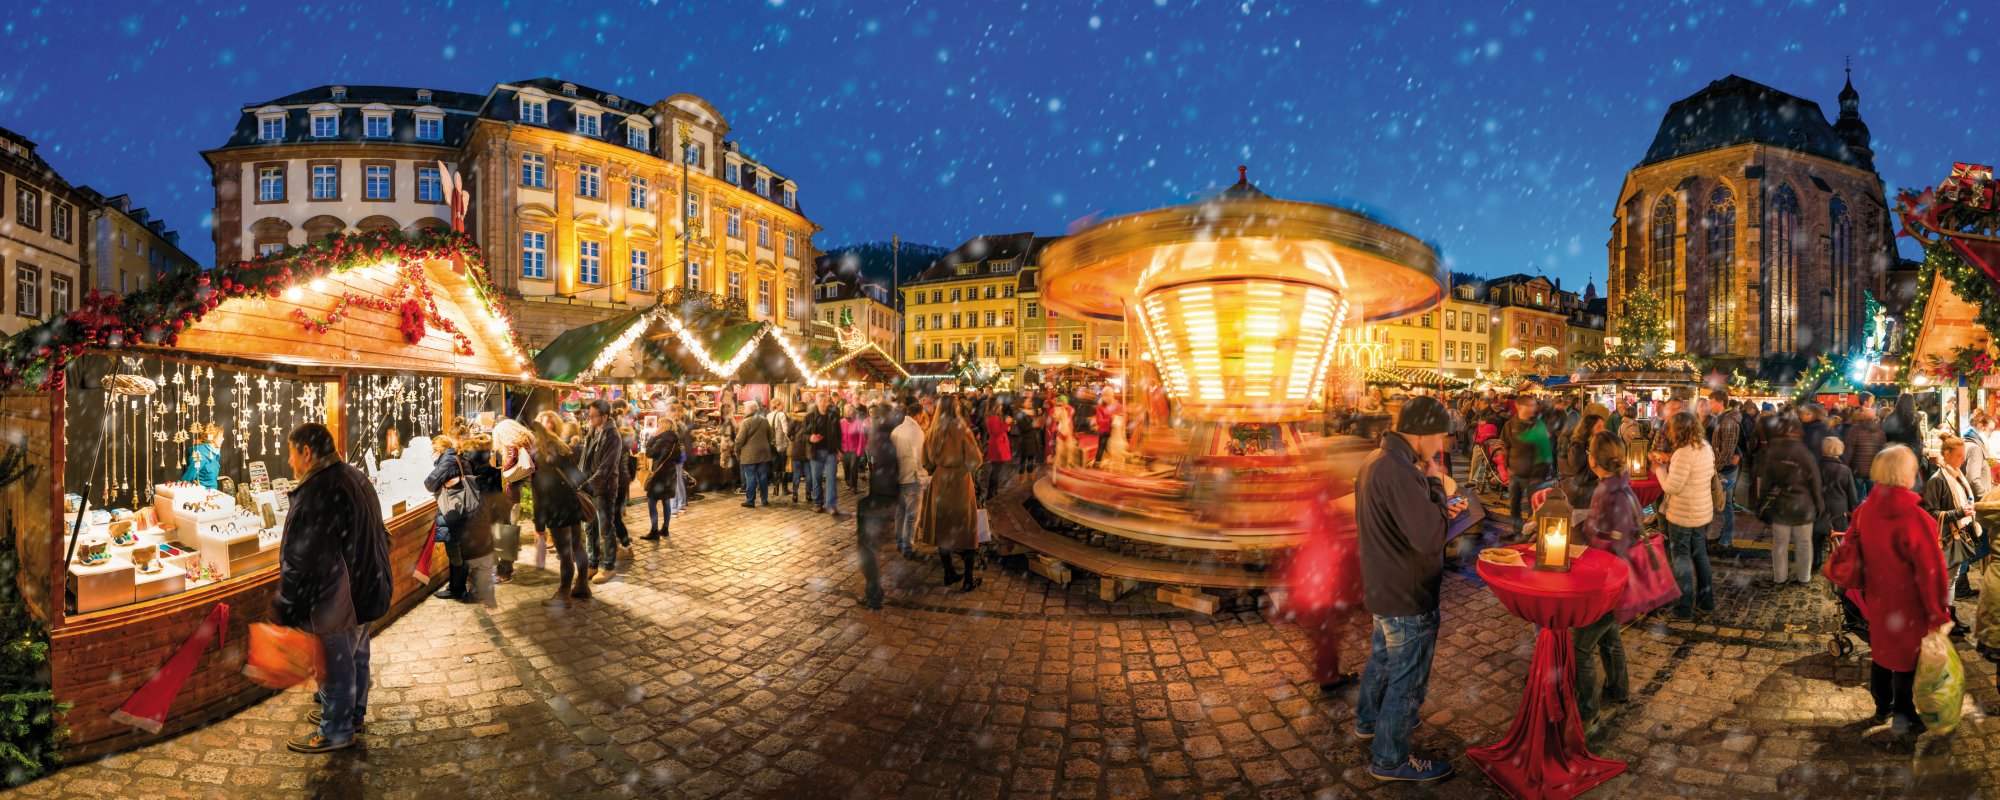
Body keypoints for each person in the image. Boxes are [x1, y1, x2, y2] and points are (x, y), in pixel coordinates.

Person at [1353, 396, 1464, 783]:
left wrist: (1431, 499)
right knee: (1407, 681)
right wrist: (1435, 484)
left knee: (1382, 659)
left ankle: (1368, 720)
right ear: (1422, 432)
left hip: (1384, 582)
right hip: (1407, 590)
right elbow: (1430, 538)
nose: (1441, 446)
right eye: (1439, 437)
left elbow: (1406, 521)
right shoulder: (1400, 471)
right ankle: (1390, 758)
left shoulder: (1378, 461)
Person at [275, 422, 391, 753]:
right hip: (367, 586)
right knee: (355, 657)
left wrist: (288, 605)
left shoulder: (319, 491)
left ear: (306, 452)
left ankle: (337, 730)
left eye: (291, 453)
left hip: (340, 597)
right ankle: (352, 716)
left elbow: (307, 559)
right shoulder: (354, 477)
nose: (289, 461)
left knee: (335, 665)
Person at [1850, 445, 1952, 738]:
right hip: (1909, 602)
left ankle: (1882, 706)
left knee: (1881, 652)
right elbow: (1932, 572)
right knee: (1907, 659)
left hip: (1878, 596)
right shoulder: (1916, 519)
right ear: (1907, 474)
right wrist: (1938, 612)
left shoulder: (1864, 509)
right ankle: (1904, 714)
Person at [1573, 432, 1635, 730]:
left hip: (1607, 579)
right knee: (1609, 634)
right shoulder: (1621, 483)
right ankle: (1619, 689)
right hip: (1620, 576)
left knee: (1580, 647)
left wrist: (1586, 528)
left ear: (1593, 460)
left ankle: (1587, 713)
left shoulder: (1606, 491)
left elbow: (1605, 538)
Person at [919, 397, 984, 592]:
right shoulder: (963, 431)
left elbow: (925, 462)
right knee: (968, 528)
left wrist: (940, 465)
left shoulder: (932, 432)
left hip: (941, 482)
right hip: (960, 482)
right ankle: (968, 579)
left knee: (944, 529)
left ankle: (949, 572)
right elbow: (975, 461)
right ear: (956, 409)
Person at [1751, 413, 1823, 586]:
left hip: (1782, 505)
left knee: (1780, 543)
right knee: (1804, 543)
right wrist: (1818, 503)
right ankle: (1804, 577)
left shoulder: (1774, 452)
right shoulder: (1804, 453)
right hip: (1804, 505)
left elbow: (1767, 484)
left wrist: (1760, 505)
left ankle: (1780, 578)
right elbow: (1815, 482)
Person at [1657, 411, 1716, 619]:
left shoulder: (1683, 453)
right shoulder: (1705, 447)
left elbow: (1672, 487)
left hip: (1682, 513)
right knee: (1699, 553)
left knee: (1680, 557)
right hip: (1701, 511)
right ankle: (1706, 600)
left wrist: (1659, 470)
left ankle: (1684, 607)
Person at [530, 413, 592, 603]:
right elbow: (580, 478)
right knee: (577, 546)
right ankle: (582, 585)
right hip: (571, 505)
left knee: (565, 552)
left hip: (555, 509)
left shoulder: (539, 457)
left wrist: (539, 525)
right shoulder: (564, 449)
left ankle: (564, 594)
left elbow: (539, 493)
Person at [1922, 436, 1983, 618]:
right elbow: (1931, 513)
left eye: (1964, 455)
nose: (1963, 459)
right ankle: (1944, 618)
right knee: (1946, 581)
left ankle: (1948, 616)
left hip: (1958, 533)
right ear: (1947, 454)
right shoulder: (1938, 479)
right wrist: (1959, 512)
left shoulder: (1955, 474)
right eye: (1959, 455)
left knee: (1952, 579)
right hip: (1947, 537)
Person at [856, 404, 901, 609]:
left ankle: (874, 596)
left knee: (866, 546)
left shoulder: (882, 437)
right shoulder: (893, 433)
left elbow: (882, 463)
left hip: (881, 496)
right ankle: (874, 591)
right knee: (869, 545)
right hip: (887, 495)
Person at [580, 400, 626, 584]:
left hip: (604, 488)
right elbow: (586, 460)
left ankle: (608, 567)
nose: (589, 419)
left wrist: (588, 484)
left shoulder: (612, 436)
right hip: (590, 486)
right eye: (589, 415)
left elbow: (606, 468)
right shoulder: (593, 431)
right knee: (590, 527)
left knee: (606, 528)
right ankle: (592, 563)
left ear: (605, 417)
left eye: (593, 416)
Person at [1501, 396, 1553, 539]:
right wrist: (1507, 466)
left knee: (1534, 507)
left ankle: (1529, 534)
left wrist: (1541, 472)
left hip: (1534, 476)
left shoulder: (1538, 425)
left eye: (1533, 405)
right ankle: (1517, 532)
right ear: (1518, 406)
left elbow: (1545, 451)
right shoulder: (1509, 425)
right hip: (1515, 472)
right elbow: (1506, 446)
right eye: (1529, 405)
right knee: (1514, 505)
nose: (1532, 408)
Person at [891, 400, 929, 559]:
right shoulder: (916, 432)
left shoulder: (897, 429)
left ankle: (899, 542)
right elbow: (918, 458)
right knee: (912, 515)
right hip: (911, 478)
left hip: (898, 476)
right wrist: (923, 476)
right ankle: (908, 546)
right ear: (919, 415)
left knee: (900, 511)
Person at [1707, 390, 1744, 550]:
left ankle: (1726, 540)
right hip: (1724, 468)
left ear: (1720, 402)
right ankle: (1724, 537)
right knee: (1722, 504)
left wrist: (1715, 469)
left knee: (1725, 505)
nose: (1710, 405)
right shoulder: (1722, 419)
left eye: (1711, 402)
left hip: (1725, 470)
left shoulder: (1727, 422)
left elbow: (1727, 452)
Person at [1817, 437, 1858, 576]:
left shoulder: (1816, 467)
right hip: (1839, 509)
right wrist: (1854, 511)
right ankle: (1838, 564)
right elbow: (1852, 494)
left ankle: (1815, 563)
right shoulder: (1845, 470)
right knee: (1839, 538)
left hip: (1820, 506)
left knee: (1817, 537)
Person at [804, 392, 844, 518]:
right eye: (820, 401)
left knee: (831, 479)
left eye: (824, 401)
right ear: (816, 402)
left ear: (828, 402)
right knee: (816, 479)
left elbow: (838, 434)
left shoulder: (834, 415)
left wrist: (839, 450)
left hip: (830, 451)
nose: (822, 404)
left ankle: (831, 505)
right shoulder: (809, 417)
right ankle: (818, 503)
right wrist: (810, 437)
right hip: (815, 452)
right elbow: (802, 435)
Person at [1559, 411, 1607, 515]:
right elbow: (1580, 476)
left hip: (1590, 496)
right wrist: (1601, 468)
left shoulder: (1591, 445)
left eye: (1603, 426)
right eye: (1599, 427)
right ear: (1589, 429)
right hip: (1581, 499)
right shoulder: (1577, 447)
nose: (1603, 430)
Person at [643, 424, 681, 541]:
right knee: (666, 502)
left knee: (651, 502)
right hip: (670, 475)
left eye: (659, 425)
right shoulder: (675, 441)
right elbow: (678, 458)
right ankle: (665, 529)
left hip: (659, 476)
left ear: (664, 426)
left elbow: (649, 453)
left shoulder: (661, 440)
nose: (658, 427)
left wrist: (650, 440)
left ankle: (654, 531)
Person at [1843, 404, 1886, 503]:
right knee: (1873, 498)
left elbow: (1849, 451)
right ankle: (1871, 516)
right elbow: (1882, 451)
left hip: (1857, 470)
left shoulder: (1855, 430)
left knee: (1857, 497)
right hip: (1873, 470)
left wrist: (1845, 466)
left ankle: (1858, 515)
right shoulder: (1879, 431)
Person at [735, 400, 774, 508]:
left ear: (750, 410)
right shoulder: (764, 420)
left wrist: (736, 448)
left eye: (745, 409)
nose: (744, 411)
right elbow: (771, 436)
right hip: (763, 453)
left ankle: (750, 501)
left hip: (749, 454)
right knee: (763, 477)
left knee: (750, 477)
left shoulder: (745, 422)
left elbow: (739, 439)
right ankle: (764, 500)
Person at [982, 400, 1014, 502]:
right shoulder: (994, 418)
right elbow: (996, 432)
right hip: (997, 446)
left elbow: (998, 429)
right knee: (995, 470)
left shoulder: (993, 417)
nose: (1001, 406)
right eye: (999, 405)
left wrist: (1006, 426)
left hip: (997, 445)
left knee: (996, 469)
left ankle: (993, 490)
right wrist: (1006, 423)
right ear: (995, 407)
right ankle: (991, 492)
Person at [767, 397, 793, 500]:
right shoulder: (781, 415)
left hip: (771, 445)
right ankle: (785, 489)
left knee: (775, 467)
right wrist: (791, 442)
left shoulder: (768, 415)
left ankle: (775, 488)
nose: (783, 406)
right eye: (781, 404)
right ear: (777, 405)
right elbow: (786, 430)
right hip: (781, 445)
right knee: (783, 467)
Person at [842, 403, 869, 493]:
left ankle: (854, 486)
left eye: (849, 411)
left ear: (852, 412)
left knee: (853, 467)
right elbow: (838, 437)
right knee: (846, 467)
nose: (847, 413)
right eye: (846, 411)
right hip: (844, 449)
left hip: (855, 449)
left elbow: (862, 438)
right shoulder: (841, 422)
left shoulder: (858, 422)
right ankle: (848, 482)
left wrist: (860, 451)